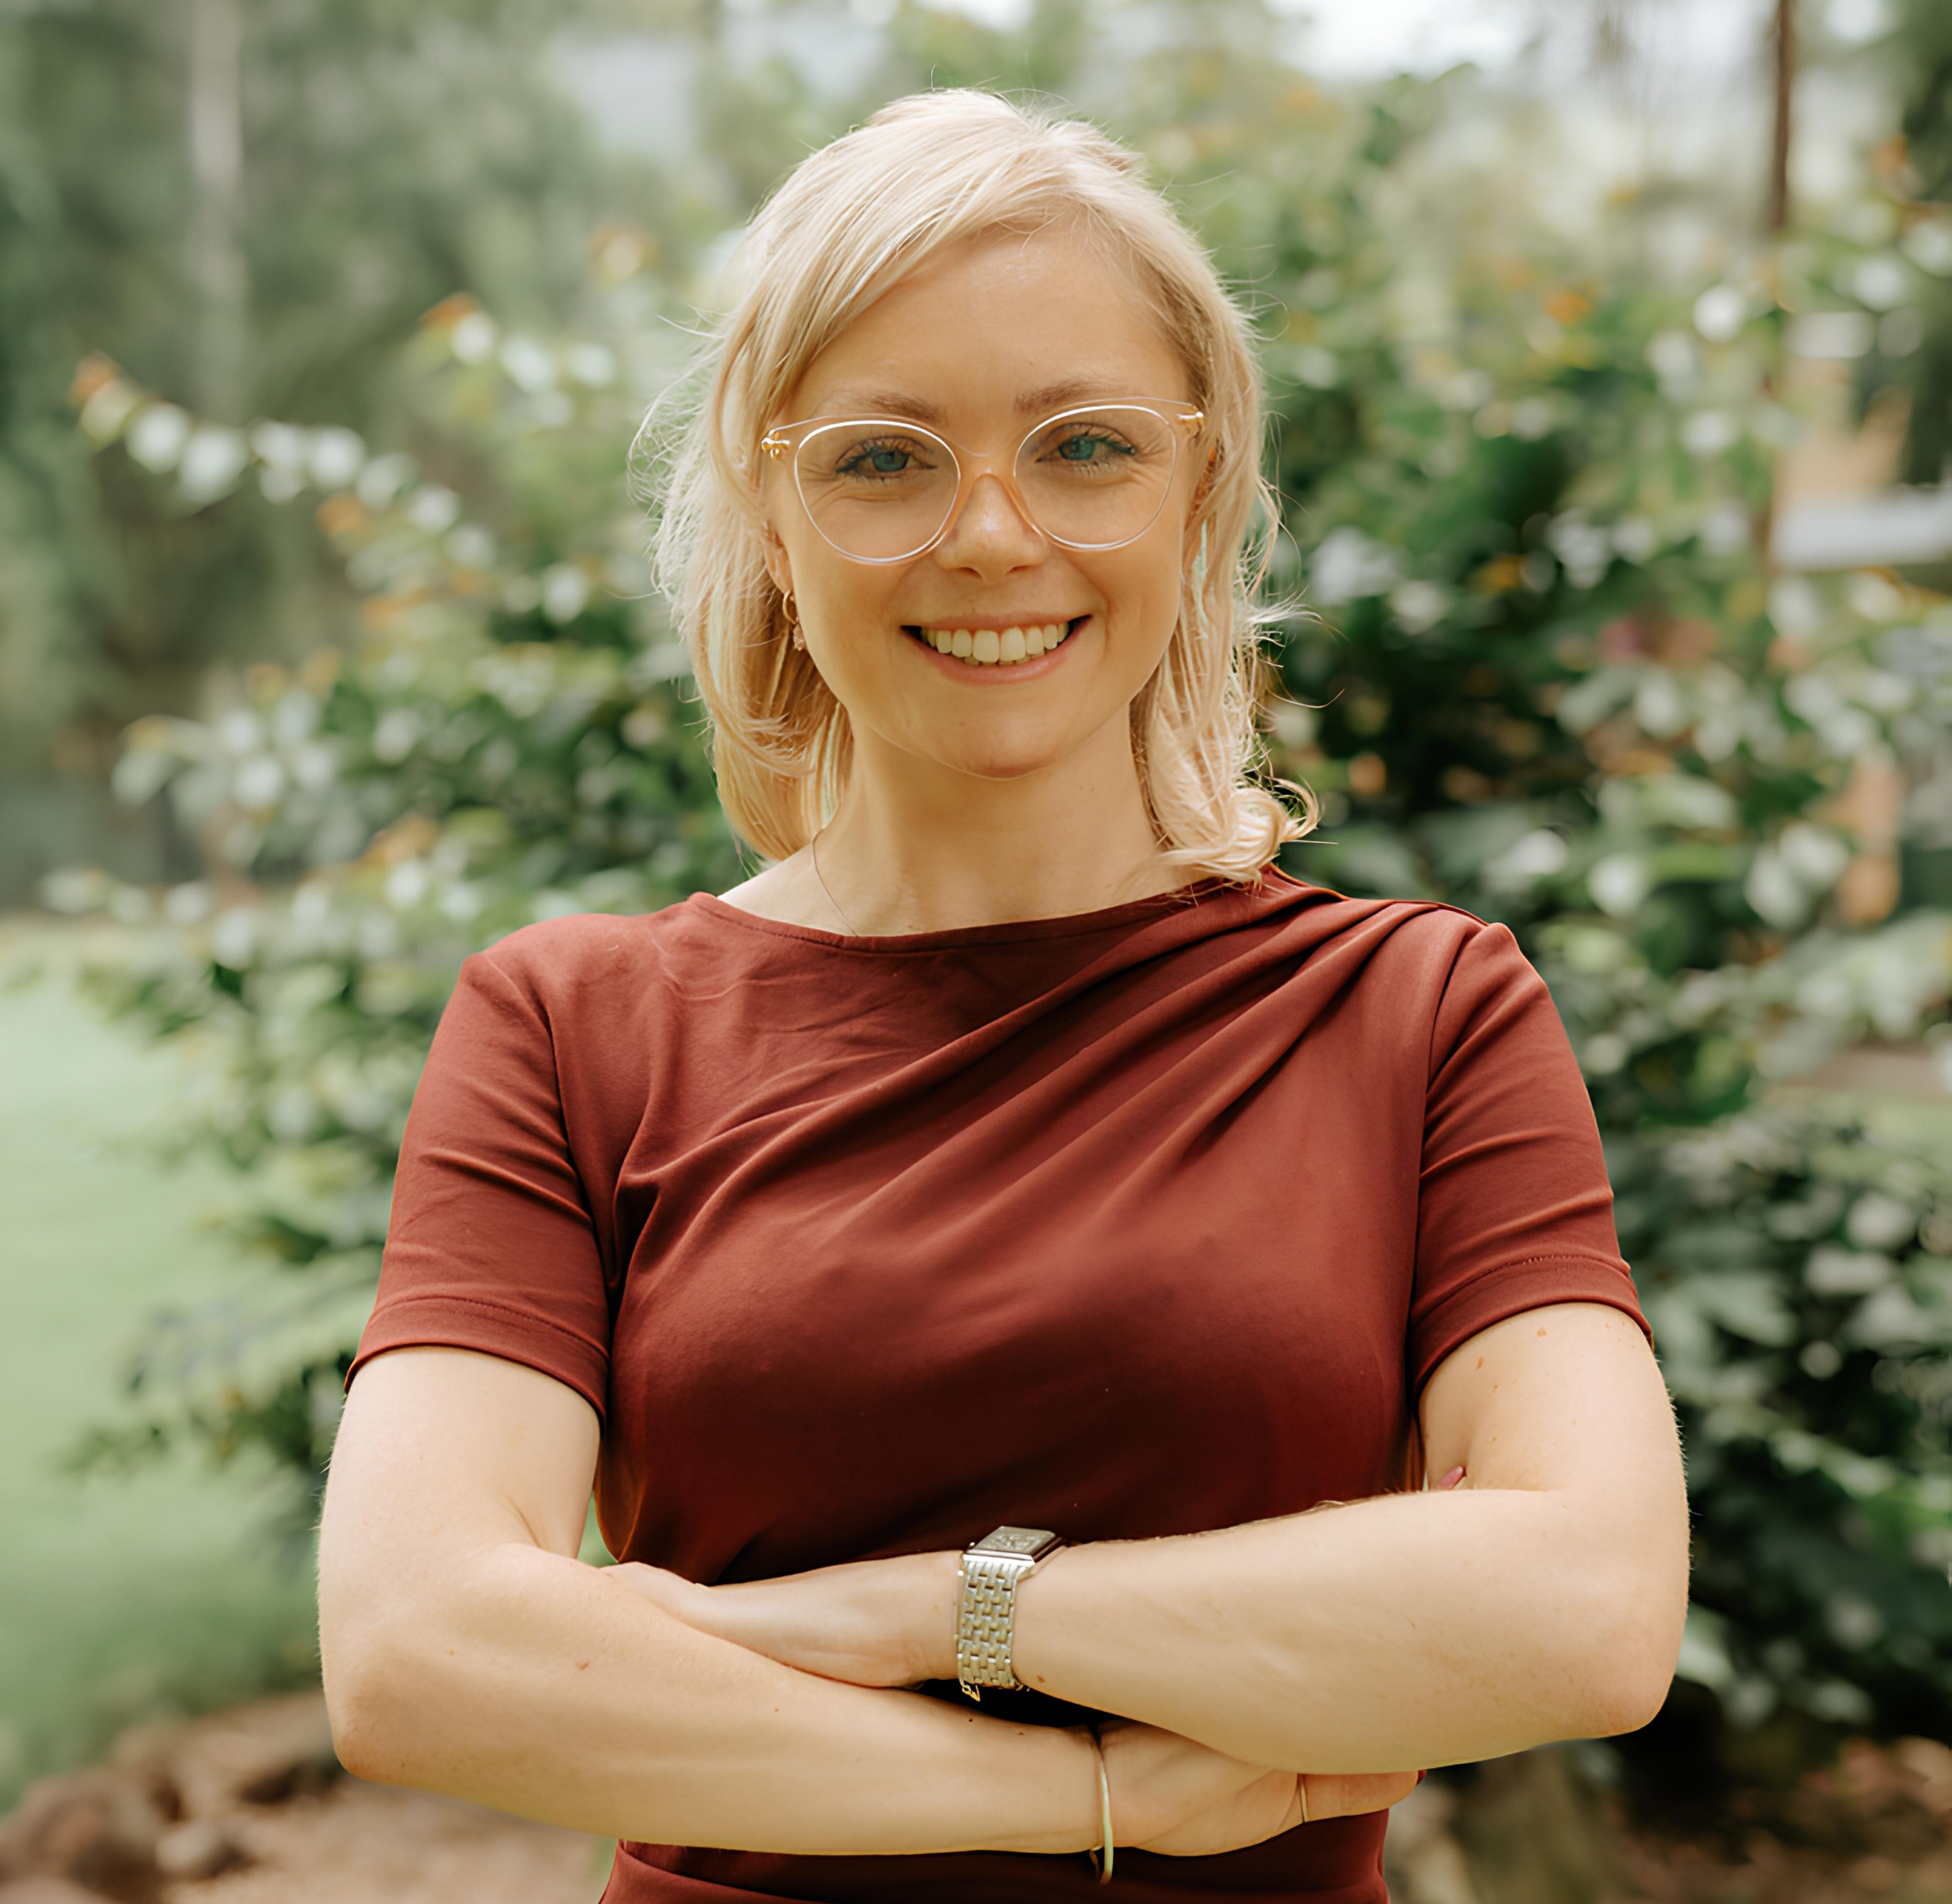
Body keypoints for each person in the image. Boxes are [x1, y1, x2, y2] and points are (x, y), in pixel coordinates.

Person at [317, 90, 1689, 1904]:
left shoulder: (1421, 1012)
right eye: (883, 458)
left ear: (1199, 491)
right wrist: (1090, 1795)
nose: (989, 534)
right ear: (771, 510)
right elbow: (418, 1652)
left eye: (1085, 446)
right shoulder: (574, 1024)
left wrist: (948, 1609)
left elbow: (1588, 1608)